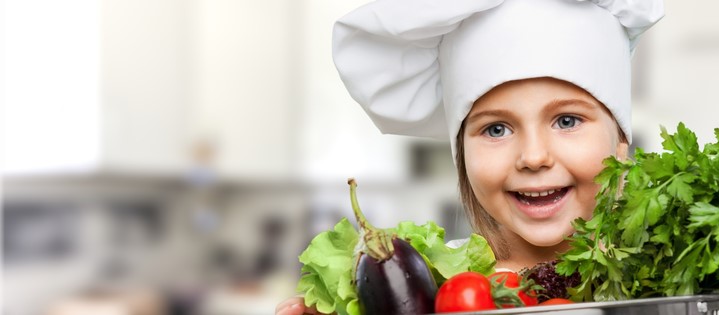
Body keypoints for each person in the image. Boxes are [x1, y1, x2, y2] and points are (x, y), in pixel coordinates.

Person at [277, 0, 663, 314]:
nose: (533, 156)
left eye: (566, 120)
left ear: (620, 144)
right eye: (496, 129)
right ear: (461, 155)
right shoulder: (424, 287)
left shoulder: (668, 274)